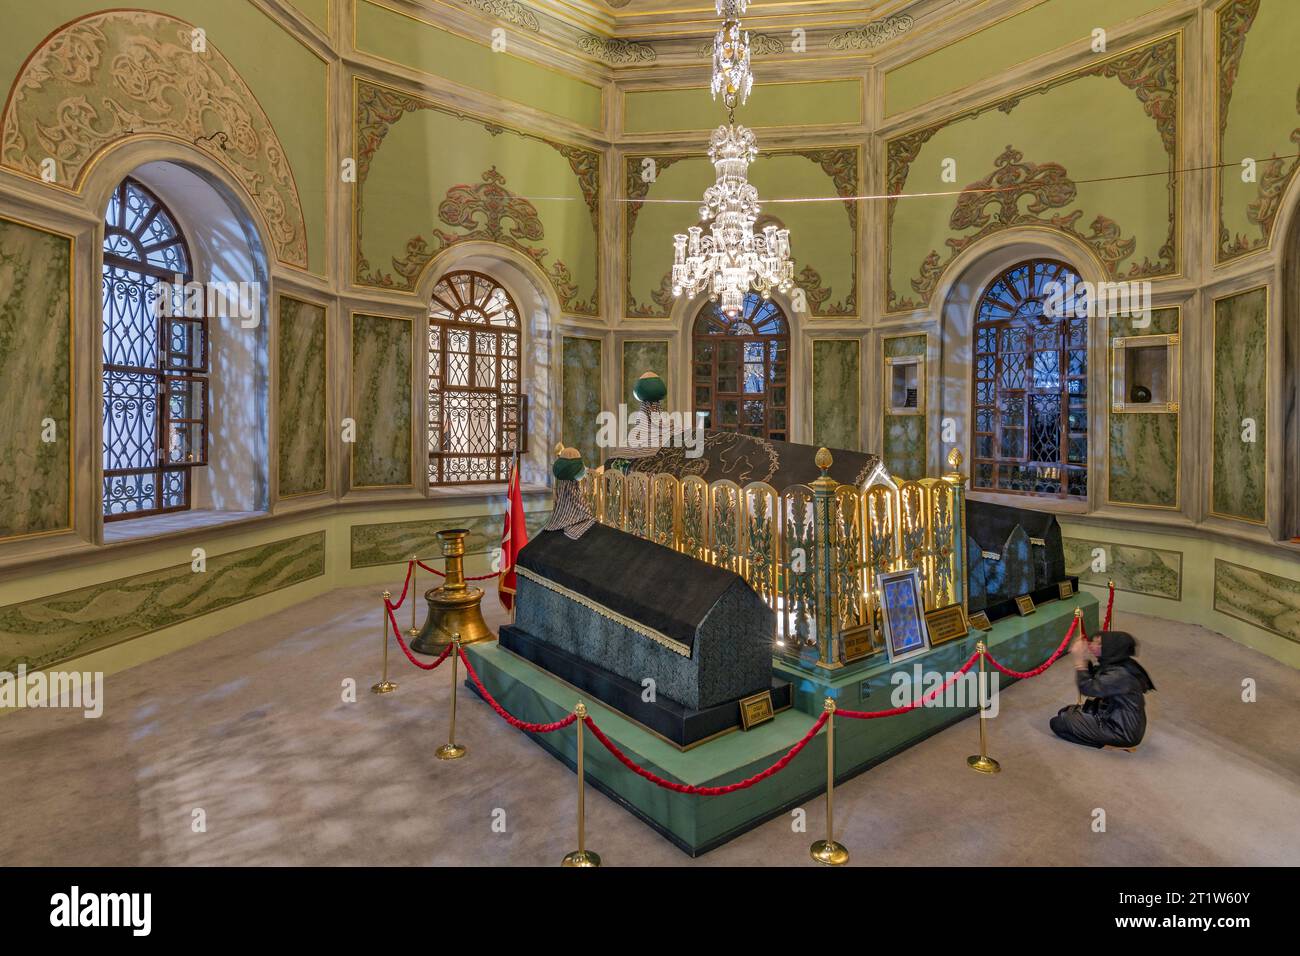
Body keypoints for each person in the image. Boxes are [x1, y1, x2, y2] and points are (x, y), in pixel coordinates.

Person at [1049, 630, 1155, 749]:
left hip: (1121, 730)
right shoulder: (1120, 663)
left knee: (1058, 723)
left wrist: (1079, 661)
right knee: (1064, 711)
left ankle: (1105, 743)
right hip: (1112, 715)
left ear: (1110, 649)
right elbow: (1095, 677)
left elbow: (1088, 688)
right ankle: (1094, 729)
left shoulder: (1120, 675)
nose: (1092, 645)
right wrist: (1084, 658)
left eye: (1098, 644)